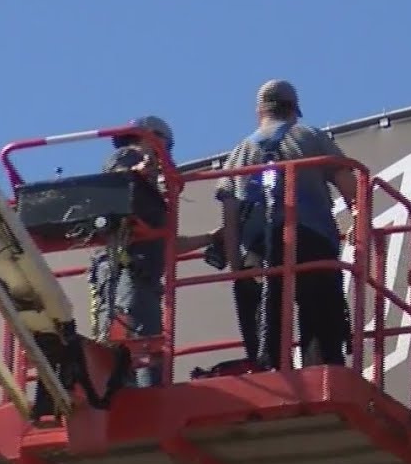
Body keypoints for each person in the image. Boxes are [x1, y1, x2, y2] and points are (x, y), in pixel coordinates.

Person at [211, 80, 357, 371]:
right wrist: (358, 223)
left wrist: (237, 271)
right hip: (310, 241)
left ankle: (268, 369)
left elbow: (229, 216)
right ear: (293, 110)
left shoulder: (239, 153)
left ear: (259, 112)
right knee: (320, 316)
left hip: (257, 250)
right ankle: (322, 368)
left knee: (261, 316)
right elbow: (352, 187)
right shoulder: (310, 136)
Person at [88, 115, 217, 386]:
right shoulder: (128, 156)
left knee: (143, 343)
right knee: (134, 342)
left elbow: (166, 244)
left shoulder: (149, 192)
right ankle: (133, 392)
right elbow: (114, 183)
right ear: (152, 138)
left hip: (141, 276)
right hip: (125, 272)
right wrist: (138, 172)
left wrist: (210, 238)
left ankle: (136, 388)